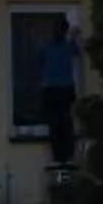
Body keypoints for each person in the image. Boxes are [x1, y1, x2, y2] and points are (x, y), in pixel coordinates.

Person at [38, 15, 83, 166]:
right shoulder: (67, 46)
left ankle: (59, 157)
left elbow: (38, 64)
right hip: (63, 88)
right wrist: (75, 35)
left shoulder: (47, 46)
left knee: (57, 123)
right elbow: (79, 52)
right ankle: (65, 156)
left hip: (52, 89)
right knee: (65, 123)